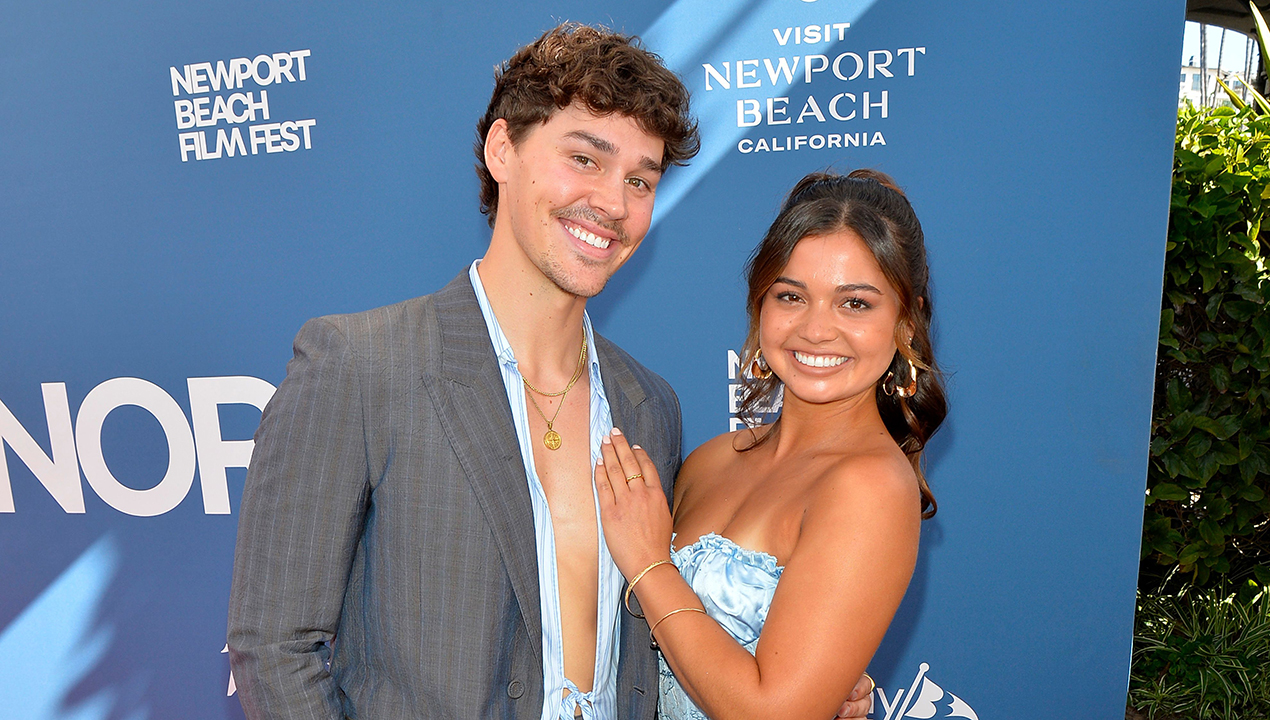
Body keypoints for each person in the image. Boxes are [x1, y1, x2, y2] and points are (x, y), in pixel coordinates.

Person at [226, 24, 874, 720]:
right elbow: (274, 647)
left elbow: (658, 645)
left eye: (639, 179)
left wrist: (802, 681)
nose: (613, 204)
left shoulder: (649, 405)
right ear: (502, 149)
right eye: (584, 159)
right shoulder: (361, 366)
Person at [595, 170, 947, 720]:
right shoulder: (712, 460)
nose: (815, 328)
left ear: (905, 320)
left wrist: (647, 566)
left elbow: (773, 712)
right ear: (760, 307)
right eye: (791, 296)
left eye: (855, 303)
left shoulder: (870, 485)